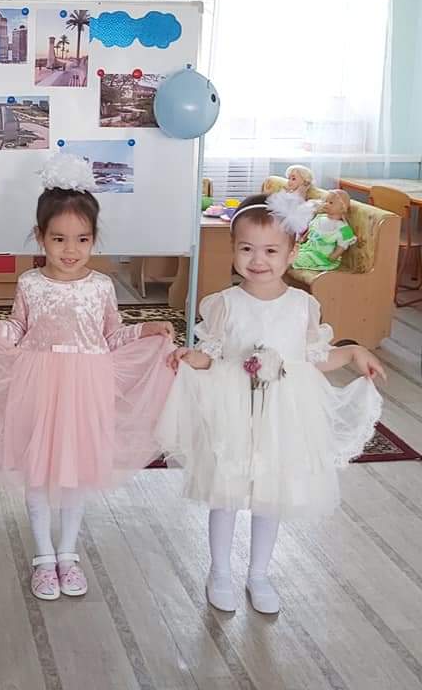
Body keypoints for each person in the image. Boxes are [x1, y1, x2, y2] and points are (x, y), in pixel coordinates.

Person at [0, 153, 176, 601]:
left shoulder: (101, 286)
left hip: (86, 386)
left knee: (75, 471)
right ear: (40, 237)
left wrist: (147, 330)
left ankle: (68, 553)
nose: (71, 250)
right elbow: (18, 329)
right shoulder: (30, 283)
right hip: (38, 383)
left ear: (94, 239)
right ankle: (44, 557)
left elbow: (112, 335)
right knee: (37, 469)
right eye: (60, 239)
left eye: (82, 239)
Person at [156, 194, 385, 614]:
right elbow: (212, 354)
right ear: (233, 249)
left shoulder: (302, 306)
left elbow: (314, 358)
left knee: (271, 493)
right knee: (226, 490)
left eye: (271, 250)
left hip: (282, 415)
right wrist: (192, 357)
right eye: (247, 248)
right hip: (234, 410)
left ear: (292, 252)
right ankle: (219, 571)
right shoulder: (225, 303)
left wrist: (353, 352)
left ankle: (259, 574)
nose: (257, 260)